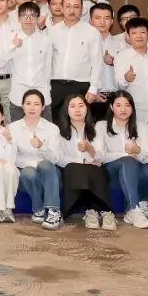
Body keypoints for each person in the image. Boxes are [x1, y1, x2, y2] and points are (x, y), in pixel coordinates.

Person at [95, 91, 148, 229]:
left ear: (132, 107)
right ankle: (133, 209)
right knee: (128, 161)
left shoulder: (141, 126)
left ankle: (139, 204)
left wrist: (137, 151)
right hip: (111, 172)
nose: (123, 109)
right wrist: (125, 154)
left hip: (135, 170)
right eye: (118, 105)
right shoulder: (101, 126)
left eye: (127, 105)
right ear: (111, 107)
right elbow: (100, 156)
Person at [55, 94, 114, 229]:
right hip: (71, 170)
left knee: (96, 169)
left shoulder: (95, 129)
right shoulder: (59, 131)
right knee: (76, 168)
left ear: (87, 109)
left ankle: (104, 212)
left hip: (93, 170)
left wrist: (90, 149)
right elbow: (59, 158)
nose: (77, 110)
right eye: (73, 106)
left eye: (81, 106)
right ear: (66, 110)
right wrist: (82, 161)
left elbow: (101, 157)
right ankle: (92, 210)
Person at [9, 90, 63, 229]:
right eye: (28, 103)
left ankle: (54, 211)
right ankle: (39, 209)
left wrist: (41, 146)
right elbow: (12, 157)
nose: (32, 108)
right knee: (28, 172)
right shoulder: (13, 128)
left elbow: (56, 159)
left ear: (43, 107)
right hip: (26, 177)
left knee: (45, 165)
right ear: (22, 105)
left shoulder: (52, 129)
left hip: (50, 175)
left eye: (36, 104)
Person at [47, 0, 103, 121]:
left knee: (79, 123)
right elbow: (46, 61)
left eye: (76, 7)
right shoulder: (51, 31)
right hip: (55, 86)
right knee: (55, 123)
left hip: (81, 86)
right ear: (62, 8)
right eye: (68, 6)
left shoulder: (92, 32)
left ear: (82, 10)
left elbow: (97, 63)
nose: (72, 10)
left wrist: (93, 89)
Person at [114, 17, 148, 123]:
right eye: (134, 33)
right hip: (134, 110)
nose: (139, 36)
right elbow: (119, 85)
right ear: (128, 36)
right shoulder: (121, 57)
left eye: (142, 32)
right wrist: (126, 79)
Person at [8, 2, 53, 122]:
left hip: (41, 89)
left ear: (37, 18)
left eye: (32, 15)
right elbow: (1, 61)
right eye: (24, 15)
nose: (28, 19)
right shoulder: (11, 37)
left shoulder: (45, 39)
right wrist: (12, 46)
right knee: (17, 128)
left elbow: (48, 67)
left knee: (46, 127)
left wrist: (47, 87)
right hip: (18, 91)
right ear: (19, 18)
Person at [88, 2, 120, 122]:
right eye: (97, 18)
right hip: (91, 95)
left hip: (114, 97)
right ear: (91, 21)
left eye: (106, 18)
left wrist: (114, 62)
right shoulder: (84, 44)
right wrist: (93, 92)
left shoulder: (120, 44)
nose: (102, 22)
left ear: (112, 21)